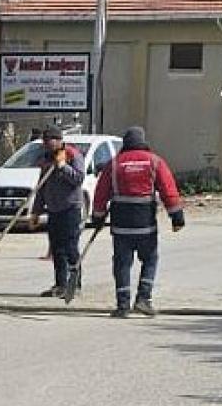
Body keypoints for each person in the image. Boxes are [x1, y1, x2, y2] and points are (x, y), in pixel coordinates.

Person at [91, 126, 185, 318]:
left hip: (121, 226)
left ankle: (122, 305)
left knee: (122, 264)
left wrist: (98, 218)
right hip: (145, 225)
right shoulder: (155, 162)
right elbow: (168, 190)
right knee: (150, 260)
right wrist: (177, 217)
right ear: (143, 141)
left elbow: (101, 193)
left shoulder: (114, 164)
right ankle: (143, 299)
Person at [31, 127, 86, 298]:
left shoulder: (72, 155)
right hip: (53, 209)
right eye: (44, 142)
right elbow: (41, 187)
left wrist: (63, 167)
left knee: (70, 247)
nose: (46, 145)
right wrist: (36, 211)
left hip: (70, 208)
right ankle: (60, 284)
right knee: (57, 249)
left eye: (48, 142)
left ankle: (75, 284)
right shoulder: (46, 158)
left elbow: (78, 179)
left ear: (58, 140)